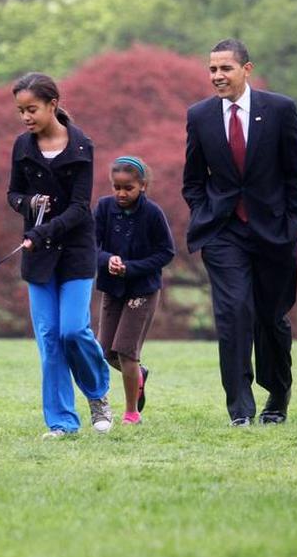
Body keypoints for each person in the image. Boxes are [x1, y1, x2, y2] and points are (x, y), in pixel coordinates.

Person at [181, 38, 297, 426]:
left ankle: (278, 393)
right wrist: (205, 214)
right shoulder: (199, 116)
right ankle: (239, 407)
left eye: (225, 69)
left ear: (246, 70)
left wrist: (294, 221)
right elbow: (192, 180)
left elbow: (295, 174)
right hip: (222, 232)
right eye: (212, 69)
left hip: (273, 232)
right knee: (233, 313)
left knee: (271, 317)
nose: (217, 76)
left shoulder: (280, 110)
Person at [7, 72, 113, 438]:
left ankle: (98, 394)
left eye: (31, 109)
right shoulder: (22, 147)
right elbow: (13, 195)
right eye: (20, 111)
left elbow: (81, 209)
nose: (25, 117)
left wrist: (41, 231)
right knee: (49, 337)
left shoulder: (81, 146)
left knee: (72, 330)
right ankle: (63, 422)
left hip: (75, 252)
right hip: (38, 256)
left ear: (53, 104)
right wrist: (28, 203)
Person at [94, 156, 175, 425]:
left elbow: (166, 252)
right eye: (116, 187)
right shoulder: (104, 208)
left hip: (142, 290)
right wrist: (108, 260)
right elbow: (90, 247)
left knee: (126, 351)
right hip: (112, 289)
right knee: (106, 352)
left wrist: (131, 268)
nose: (121, 193)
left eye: (128, 188)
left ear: (143, 185)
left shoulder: (153, 214)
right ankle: (139, 374)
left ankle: (132, 413)